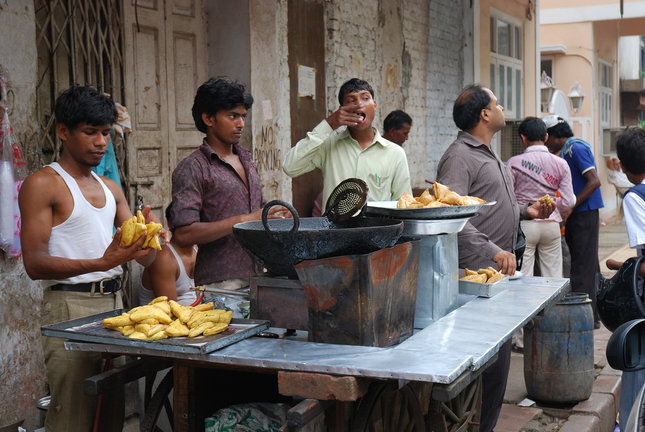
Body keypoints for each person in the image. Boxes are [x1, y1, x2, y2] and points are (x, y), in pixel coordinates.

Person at [18, 85, 159, 432]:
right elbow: (34, 264)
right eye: (90, 132)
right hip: (69, 307)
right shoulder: (43, 184)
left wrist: (155, 240)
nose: (100, 142)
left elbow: (143, 257)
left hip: (115, 305)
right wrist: (102, 261)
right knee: (74, 416)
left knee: (111, 412)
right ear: (63, 132)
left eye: (105, 133)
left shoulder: (110, 187)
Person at [436, 85, 554, 432]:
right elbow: (450, 216)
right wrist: (494, 250)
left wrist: (525, 211)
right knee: (483, 375)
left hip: (498, 277)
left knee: (497, 371)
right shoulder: (459, 157)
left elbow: (489, 205)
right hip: (474, 276)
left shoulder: (488, 153)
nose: (502, 107)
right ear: (485, 114)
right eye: (497, 103)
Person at [169, 78, 287, 301]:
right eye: (232, 116)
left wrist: (275, 216)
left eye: (243, 116)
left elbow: (258, 211)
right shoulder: (193, 168)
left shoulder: (247, 160)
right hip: (221, 285)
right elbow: (184, 234)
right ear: (208, 118)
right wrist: (244, 219)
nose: (241, 123)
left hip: (258, 278)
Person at [283, 78, 411, 209]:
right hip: (334, 229)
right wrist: (329, 124)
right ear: (342, 110)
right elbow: (290, 167)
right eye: (351, 100)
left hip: (376, 229)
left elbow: (405, 204)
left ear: (375, 105)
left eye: (365, 98)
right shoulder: (328, 144)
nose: (359, 104)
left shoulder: (395, 153)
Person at [544, 115, 604, 328]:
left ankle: (584, 318)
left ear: (554, 135)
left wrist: (571, 205)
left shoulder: (575, 149)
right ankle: (592, 314)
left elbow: (594, 181)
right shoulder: (566, 150)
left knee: (581, 266)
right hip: (579, 212)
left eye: (546, 137)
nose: (545, 142)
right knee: (586, 264)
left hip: (584, 212)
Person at [604, 127, 645, 432]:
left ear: (626, 166)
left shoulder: (636, 198)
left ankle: (629, 425)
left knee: (637, 363)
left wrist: (629, 267)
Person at [507, 116, 575, 278]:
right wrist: (550, 204)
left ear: (523, 137)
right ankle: (552, 304)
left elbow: (508, 199)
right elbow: (568, 201)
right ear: (545, 137)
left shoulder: (513, 163)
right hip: (551, 226)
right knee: (553, 278)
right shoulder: (561, 163)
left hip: (524, 225)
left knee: (523, 276)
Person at [140, 203, 197, 306]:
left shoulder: (196, 249)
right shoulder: (164, 258)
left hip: (194, 315)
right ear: (170, 224)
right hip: (164, 319)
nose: (191, 227)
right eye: (185, 223)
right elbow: (170, 310)